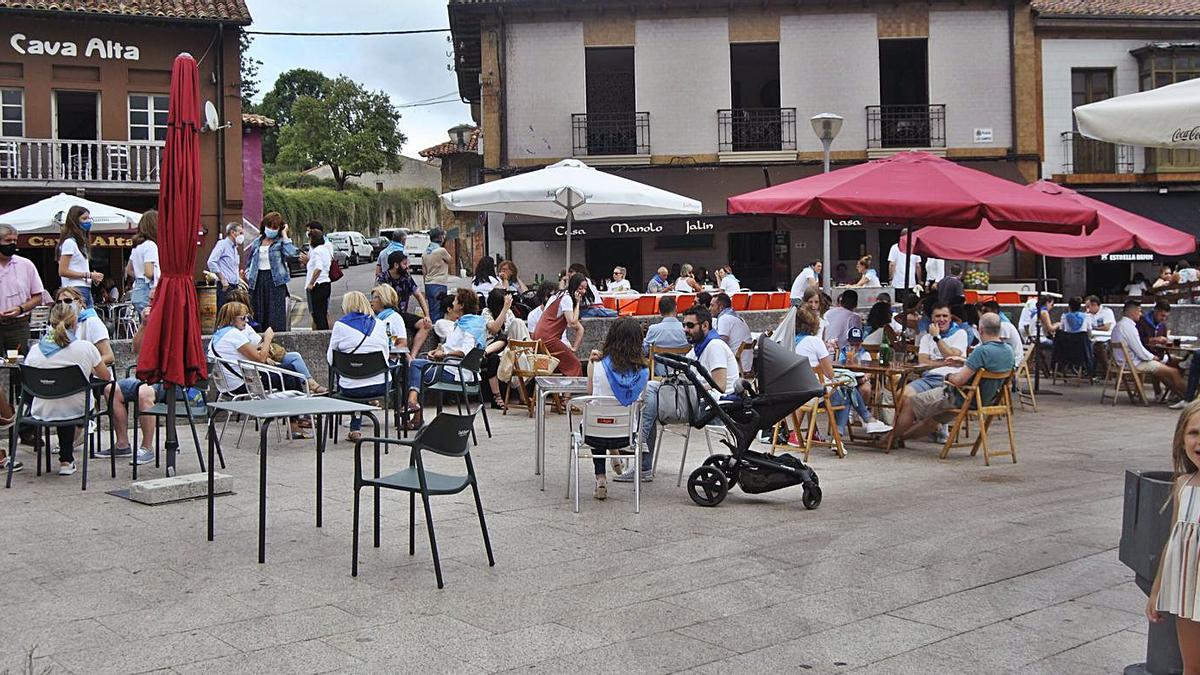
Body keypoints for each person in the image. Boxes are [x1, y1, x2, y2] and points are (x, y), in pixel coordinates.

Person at [628, 305, 738, 484]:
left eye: (690, 325)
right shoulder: (699, 346)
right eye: (684, 325)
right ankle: (642, 453)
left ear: (705, 326)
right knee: (650, 396)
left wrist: (685, 386)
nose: (685, 330)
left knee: (650, 393)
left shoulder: (714, 346)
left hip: (713, 406)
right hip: (699, 401)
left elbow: (720, 385)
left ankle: (641, 451)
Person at [893, 313, 1014, 441]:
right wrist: (965, 362)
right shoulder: (1008, 351)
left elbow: (958, 380)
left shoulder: (981, 351)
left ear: (981, 330)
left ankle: (889, 439)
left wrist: (948, 376)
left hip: (961, 398)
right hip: (986, 400)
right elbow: (986, 367)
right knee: (934, 420)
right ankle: (901, 438)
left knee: (910, 402)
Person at [1145, 401, 1200, 674]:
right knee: (1192, 666)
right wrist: (1157, 590)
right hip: (1188, 592)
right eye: (1194, 433)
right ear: (1181, 438)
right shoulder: (1183, 485)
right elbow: (1172, 540)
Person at [209, 301, 313, 438]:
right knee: (291, 374)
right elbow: (260, 359)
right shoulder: (234, 335)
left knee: (288, 370)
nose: (246, 321)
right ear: (231, 318)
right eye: (242, 318)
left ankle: (297, 418)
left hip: (228, 384)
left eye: (247, 317)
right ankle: (296, 423)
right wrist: (268, 338)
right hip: (244, 383)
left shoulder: (218, 336)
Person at [584, 317, 649, 499]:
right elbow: (640, 401)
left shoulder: (596, 364)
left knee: (596, 419)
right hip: (626, 435)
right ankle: (613, 455)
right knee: (609, 419)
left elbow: (590, 396)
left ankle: (600, 478)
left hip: (594, 434)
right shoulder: (644, 372)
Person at [403, 288, 485, 429]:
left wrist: (445, 355)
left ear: (461, 305)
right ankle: (415, 408)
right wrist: (437, 351)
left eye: (455, 300)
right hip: (452, 367)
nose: (453, 303)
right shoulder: (467, 323)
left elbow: (466, 351)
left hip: (457, 372)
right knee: (417, 365)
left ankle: (414, 406)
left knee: (416, 367)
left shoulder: (469, 327)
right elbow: (451, 347)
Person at [325, 292, 390, 442]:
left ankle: (355, 428)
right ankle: (358, 425)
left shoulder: (340, 326)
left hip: (351, 388)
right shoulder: (379, 324)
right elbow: (385, 357)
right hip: (380, 386)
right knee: (367, 375)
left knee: (355, 377)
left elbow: (331, 359)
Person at [1113, 300, 1186, 398]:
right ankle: (1188, 398)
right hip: (1135, 362)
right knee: (1174, 372)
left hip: (1125, 362)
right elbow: (1139, 350)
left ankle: (1178, 395)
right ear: (1131, 313)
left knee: (1177, 364)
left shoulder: (1119, 326)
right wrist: (1152, 357)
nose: (1141, 314)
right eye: (1139, 311)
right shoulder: (1129, 328)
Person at [906, 302, 970, 409]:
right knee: (902, 395)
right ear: (932, 319)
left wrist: (936, 337)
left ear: (950, 318)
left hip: (949, 381)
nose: (941, 319)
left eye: (945, 316)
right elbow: (923, 362)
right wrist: (945, 363)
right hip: (928, 378)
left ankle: (926, 424)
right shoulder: (926, 338)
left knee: (921, 402)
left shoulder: (960, 333)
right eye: (937, 316)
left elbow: (950, 354)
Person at [245, 212, 299, 332]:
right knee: (257, 315)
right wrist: (248, 274)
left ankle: (276, 344)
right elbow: (249, 262)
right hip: (257, 281)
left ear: (280, 228)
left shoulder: (280, 242)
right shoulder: (257, 242)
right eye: (269, 226)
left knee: (275, 316)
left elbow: (292, 254)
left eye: (275, 227)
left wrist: (285, 235)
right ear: (264, 226)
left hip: (275, 282)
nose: (271, 230)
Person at [835, 327, 893, 436]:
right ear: (848, 342)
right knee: (847, 387)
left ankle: (861, 413)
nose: (855, 347)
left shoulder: (864, 354)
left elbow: (869, 371)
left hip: (860, 380)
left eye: (857, 344)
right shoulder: (843, 352)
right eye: (852, 344)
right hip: (846, 381)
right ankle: (865, 417)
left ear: (861, 342)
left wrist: (865, 378)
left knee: (866, 388)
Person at [0, 223, 47, 354]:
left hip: (19, 324)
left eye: (15, 240)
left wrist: (20, 309)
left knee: (20, 366)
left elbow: (38, 296)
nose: (12, 244)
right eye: (8, 241)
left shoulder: (26, 264)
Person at [531, 273, 586, 377]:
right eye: (580, 288)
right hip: (549, 338)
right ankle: (569, 392)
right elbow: (572, 322)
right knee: (575, 365)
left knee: (561, 366)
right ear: (574, 287)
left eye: (585, 288)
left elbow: (580, 328)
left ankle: (563, 393)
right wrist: (578, 303)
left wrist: (574, 348)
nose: (583, 291)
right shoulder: (567, 298)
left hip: (540, 337)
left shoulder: (557, 295)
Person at [55, 286, 114, 367]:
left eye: (67, 301)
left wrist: (84, 366)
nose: (63, 305)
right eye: (59, 302)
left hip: (93, 375)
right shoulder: (57, 325)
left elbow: (109, 356)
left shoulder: (92, 322)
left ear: (79, 302)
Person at [57, 205, 102, 308]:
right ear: (75, 221)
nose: (88, 221)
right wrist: (89, 275)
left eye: (89, 218)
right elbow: (62, 271)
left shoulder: (80, 243)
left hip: (83, 288)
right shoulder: (69, 243)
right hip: (74, 289)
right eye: (84, 218)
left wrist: (92, 278)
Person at [643, 295, 688, 375]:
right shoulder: (686, 329)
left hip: (660, 371)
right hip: (683, 370)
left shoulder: (653, 329)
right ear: (676, 309)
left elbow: (645, 350)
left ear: (660, 311)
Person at [710, 293, 752, 372]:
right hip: (746, 364)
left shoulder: (724, 318)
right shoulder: (737, 317)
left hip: (736, 366)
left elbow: (721, 343)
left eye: (712, 305)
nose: (710, 308)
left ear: (720, 307)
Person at [127, 210, 159, 314]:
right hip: (147, 289)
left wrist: (139, 275)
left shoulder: (137, 246)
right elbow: (149, 272)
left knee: (144, 323)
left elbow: (129, 270)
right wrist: (160, 274)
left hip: (138, 289)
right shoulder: (151, 245)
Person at [207, 221, 244, 309]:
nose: (241, 235)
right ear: (232, 232)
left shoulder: (234, 248)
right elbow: (211, 261)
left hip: (234, 286)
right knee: (224, 312)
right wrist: (222, 279)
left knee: (234, 313)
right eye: (240, 232)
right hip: (225, 285)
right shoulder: (222, 244)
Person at [423, 228, 454, 323]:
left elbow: (424, 272)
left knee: (432, 310)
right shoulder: (441, 251)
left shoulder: (425, 253)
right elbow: (451, 260)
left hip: (429, 284)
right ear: (440, 237)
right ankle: (436, 333)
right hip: (439, 284)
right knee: (440, 310)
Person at [305, 228, 332, 331]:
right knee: (323, 313)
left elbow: (318, 268)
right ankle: (325, 335)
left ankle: (321, 337)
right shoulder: (325, 250)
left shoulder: (316, 252)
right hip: (326, 283)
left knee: (317, 315)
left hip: (318, 285)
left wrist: (311, 283)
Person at [887, 230, 922, 294]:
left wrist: (890, 279)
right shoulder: (914, 248)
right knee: (911, 302)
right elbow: (918, 266)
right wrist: (919, 280)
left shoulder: (895, 247)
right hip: (911, 282)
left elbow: (892, 264)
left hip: (897, 283)